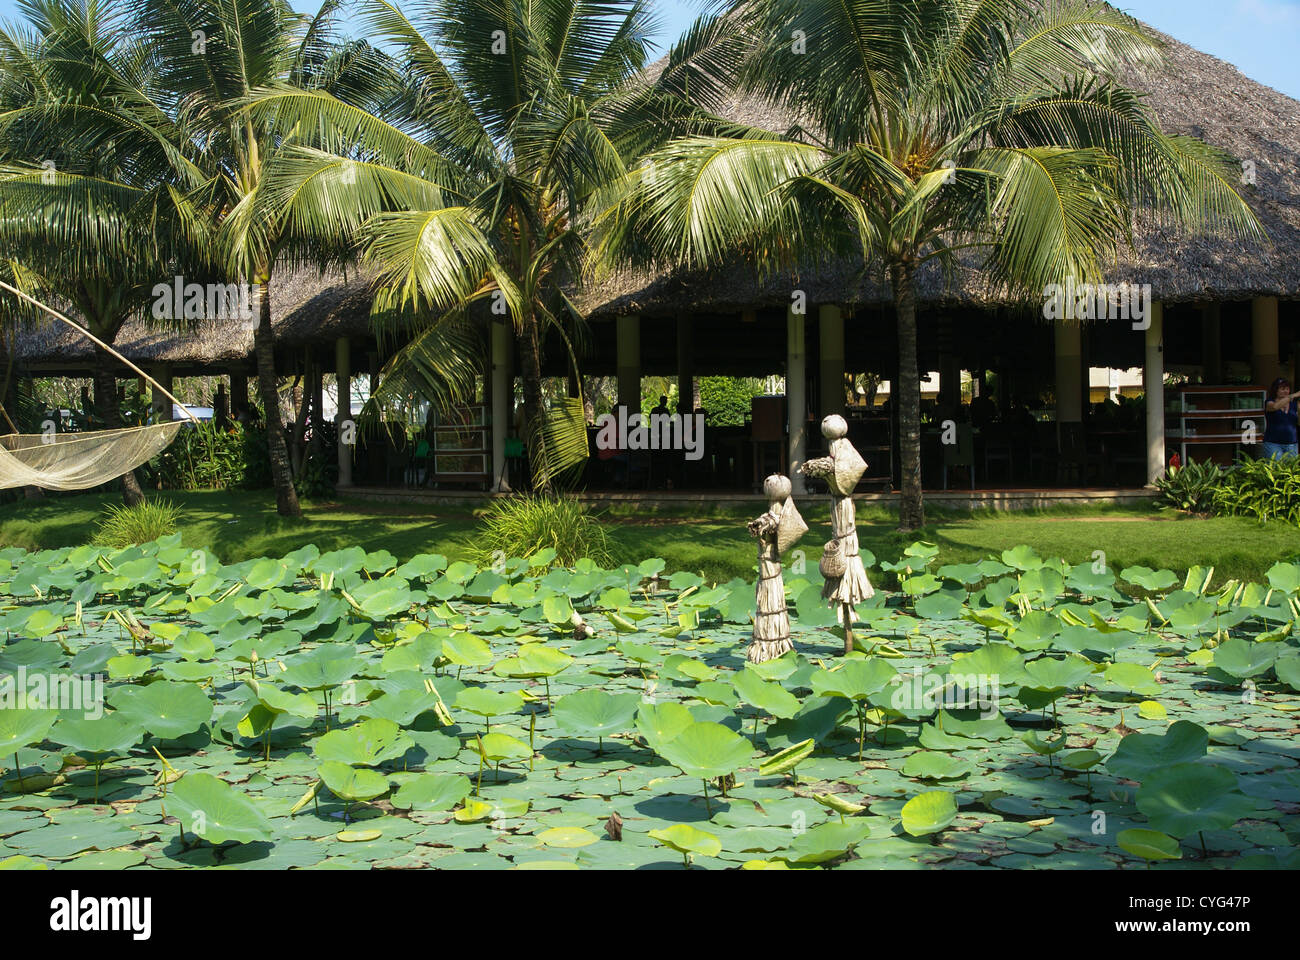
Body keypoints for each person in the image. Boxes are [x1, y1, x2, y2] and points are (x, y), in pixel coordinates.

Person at [1263, 378, 1298, 459]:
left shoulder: (1294, 405)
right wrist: (1292, 396)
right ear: (1276, 390)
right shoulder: (1269, 402)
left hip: (1291, 444)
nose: (1285, 391)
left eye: (1287, 389)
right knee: (1275, 469)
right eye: (1282, 389)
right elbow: (1275, 407)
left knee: (1290, 470)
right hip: (1273, 443)